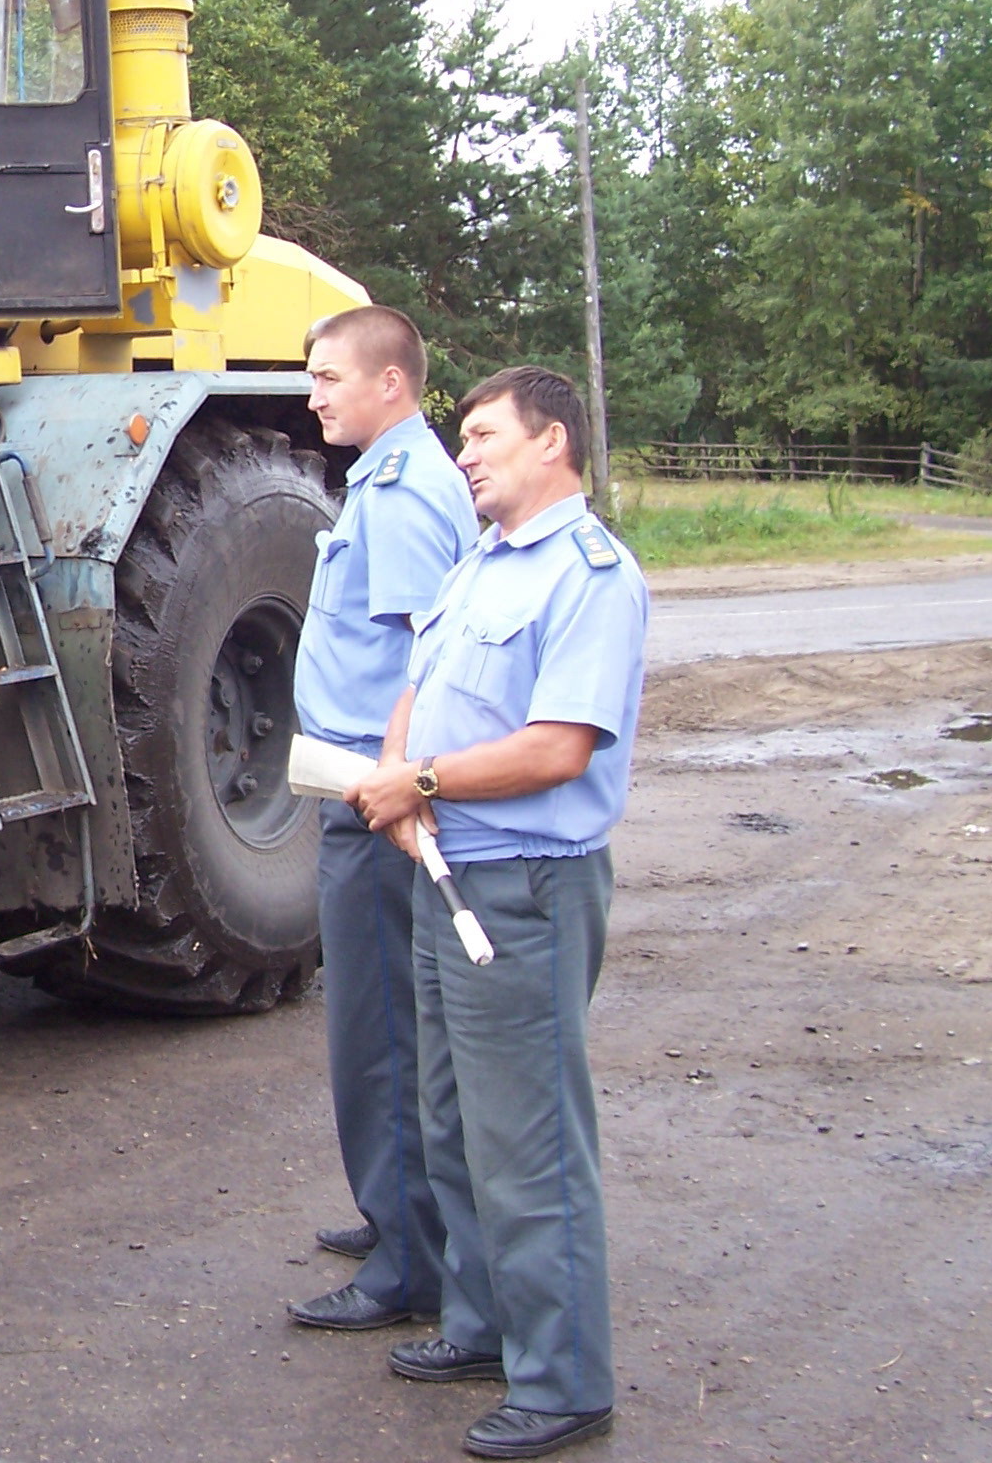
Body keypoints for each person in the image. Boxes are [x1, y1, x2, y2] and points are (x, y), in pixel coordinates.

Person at [342, 365, 648, 1462]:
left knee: (530, 1145)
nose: (462, 452)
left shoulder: (589, 577)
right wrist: (394, 771)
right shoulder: (482, 562)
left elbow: (557, 748)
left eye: (483, 435)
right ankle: (480, 1329)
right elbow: (420, 685)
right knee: (453, 1122)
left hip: (522, 887)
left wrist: (417, 787)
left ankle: (564, 1381)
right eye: (462, 435)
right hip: (446, 872)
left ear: (551, 442)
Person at [286, 307, 476, 1337]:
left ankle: (408, 1262)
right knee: (386, 1019)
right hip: (367, 781)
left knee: (381, 1030)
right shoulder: (391, 479)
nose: (313, 394)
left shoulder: (403, 496)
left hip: (373, 791)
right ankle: (396, 1213)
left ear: (390, 385)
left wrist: (394, 786)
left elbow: (422, 654)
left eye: (327, 377)